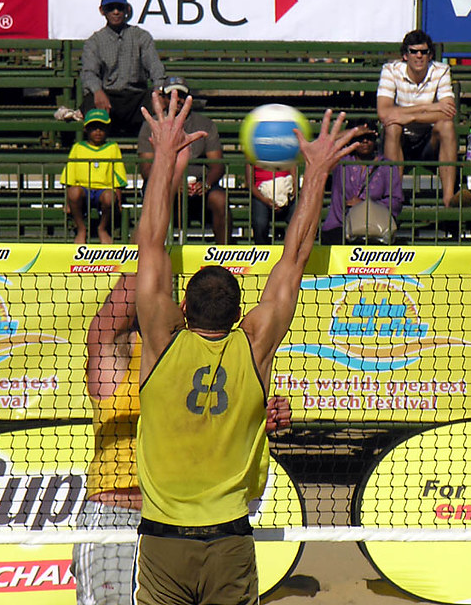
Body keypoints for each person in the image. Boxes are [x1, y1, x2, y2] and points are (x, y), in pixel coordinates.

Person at [133, 92, 356, 605]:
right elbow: (294, 258)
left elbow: (151, 242)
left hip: (163, 541)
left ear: (182, 308)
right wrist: (317, 168)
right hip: (229, 541)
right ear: (240, 315)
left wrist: (165, 155)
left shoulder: (164, 343)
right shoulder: (252, 348)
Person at [74, 269, 292, 605]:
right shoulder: (120, 351)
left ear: (184, 306)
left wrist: (257, 418)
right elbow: (112, 316)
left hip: (188, 523)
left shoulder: (206, 356)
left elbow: (218, 421)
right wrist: (149, 247)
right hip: (118, 512)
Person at [376, 29, 470, 208]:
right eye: (413, 51)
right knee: (393, 126)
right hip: (400, 139)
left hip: (429, 141)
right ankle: (392, 198)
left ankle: (449, 199)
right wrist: (427, 107)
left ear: (430, 55)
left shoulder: (441, 70)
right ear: (405, 55)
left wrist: (407, 115)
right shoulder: (390, 70)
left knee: (447, 127)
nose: (419, 56)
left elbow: (448, 112)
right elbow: (384, 113)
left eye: (424, 52)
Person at [137, 76, 229, 243]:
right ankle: (147, 251)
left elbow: (217, 165)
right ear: (163, 98)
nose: (176, 99)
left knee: (220, 200)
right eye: (171, 95)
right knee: (153, 198)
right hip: (163, 184)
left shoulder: (205, 124)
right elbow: (145, 168)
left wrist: (206, 184)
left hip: (199, 186)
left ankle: (225, 256)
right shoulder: (151, 124)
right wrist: (170, 183)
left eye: (181, 95)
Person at [81, 0, 166, 138]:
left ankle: (154, 151)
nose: (115, 12)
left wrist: (158, 90)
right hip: (109, 95)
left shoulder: (141, 36)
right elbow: (89, 72)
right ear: (102, 11)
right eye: (110, 8)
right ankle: (93, 151)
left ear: (127, 10)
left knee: (160, 101)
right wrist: (97, 91)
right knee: (90, 100)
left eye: (119, 7)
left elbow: (155, 66)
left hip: (136, 96)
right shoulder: (94, 41)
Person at [320, 120, 403, 244]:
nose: (365, 141)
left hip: (374, 229)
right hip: (339, 226)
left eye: (369, 137)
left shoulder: (387, 167)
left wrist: (365, 205)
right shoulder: (340, 161)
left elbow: (396, 201)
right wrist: (352, 132)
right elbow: (322, 145)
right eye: (360, 137)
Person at [61, 109, 127, 244]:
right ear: (86, 129)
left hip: (104, 190)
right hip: (83, 189)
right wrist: (67, 202)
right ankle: (81, 229)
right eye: (93, 127)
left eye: (101, 127)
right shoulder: (78, 148)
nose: (98, 131)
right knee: (73, 192)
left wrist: (118, 199)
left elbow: (118, 175)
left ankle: (102, 228)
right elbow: (70, 177)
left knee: (110, 197)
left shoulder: (113, 148)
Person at [245, 162, 296, 245]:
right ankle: (263, 250)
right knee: (260, 222)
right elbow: (250, 184)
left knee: (298, 217)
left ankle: (294, 249)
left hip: (286, 193)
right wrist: (265, 200)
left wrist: (289, 196)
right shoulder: (253, 152)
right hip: (261, 195)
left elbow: (294, 178)